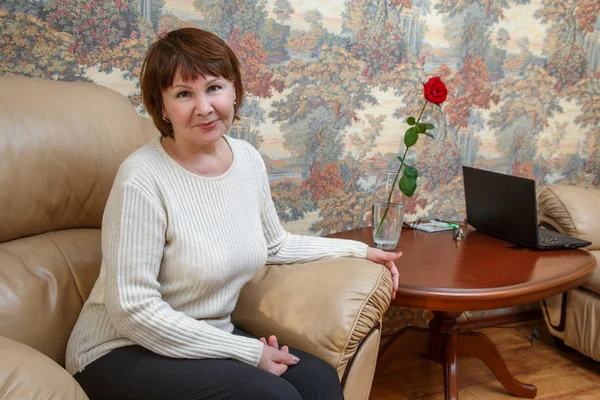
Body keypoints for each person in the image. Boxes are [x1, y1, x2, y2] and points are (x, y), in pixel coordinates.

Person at [65, 27, 401, 400]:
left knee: (319, 380)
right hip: (120, 350)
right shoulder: (142, 178)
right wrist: (248, 351)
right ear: (161, 108)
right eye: (183, 94)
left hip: (205, 339)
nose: (204, 107)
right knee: (276, 397)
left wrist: (363, 252)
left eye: (213, 87)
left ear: (234, 89)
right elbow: (132, 309)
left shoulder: (246, 159)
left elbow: (275, 245)